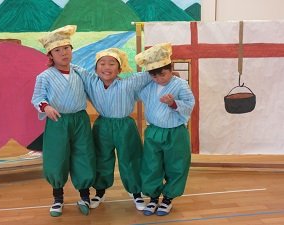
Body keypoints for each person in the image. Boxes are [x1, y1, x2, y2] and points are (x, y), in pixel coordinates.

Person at [74, 48, 151, 211]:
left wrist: (171, 74)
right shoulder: (91, 81)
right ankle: (100, 191)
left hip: (125, 126)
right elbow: (74, 68)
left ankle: (136, 192)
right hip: (102, 126)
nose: (106, 67)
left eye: (112, 63)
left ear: (120, 69)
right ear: (95, 69)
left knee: (131, 159)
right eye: (102, 63)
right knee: (101, 159)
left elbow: (151, 73)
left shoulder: (129, 83)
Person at [31, 25, 95, 217]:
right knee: (57, 157)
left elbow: (98, 85)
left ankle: (84, 195)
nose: (63, 53)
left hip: (80, 120)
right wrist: (46, 107)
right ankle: (58, 198)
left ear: (71, 50)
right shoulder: (45, 76)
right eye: (58, 50)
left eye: (66, 48)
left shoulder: (80, 72)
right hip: (57, 121)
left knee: (83, 154)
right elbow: (37, 97)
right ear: (50, 55)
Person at [135, 43, 195, 216]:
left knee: (176, 165)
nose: (159, 79)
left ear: (171, 68)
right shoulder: (148, 86)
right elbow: (136, 86)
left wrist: (173, 103)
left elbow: (190, 104)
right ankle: (153, 198)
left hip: (175, 132)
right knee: (151, 165)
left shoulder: (180, 85)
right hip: (153, 132)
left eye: (163, 74)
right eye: (154, 75)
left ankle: (168, 199)